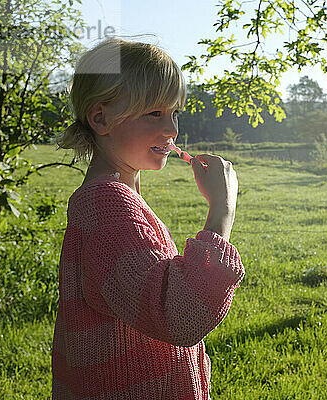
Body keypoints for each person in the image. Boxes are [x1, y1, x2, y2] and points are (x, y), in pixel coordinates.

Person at [51, 38, 244, 399]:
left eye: (175, 113)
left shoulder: (114, 200)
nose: (171, 129)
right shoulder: (109, 208)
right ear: (101, 118)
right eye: (154, 113)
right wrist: (222, 210)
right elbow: (181, 314)